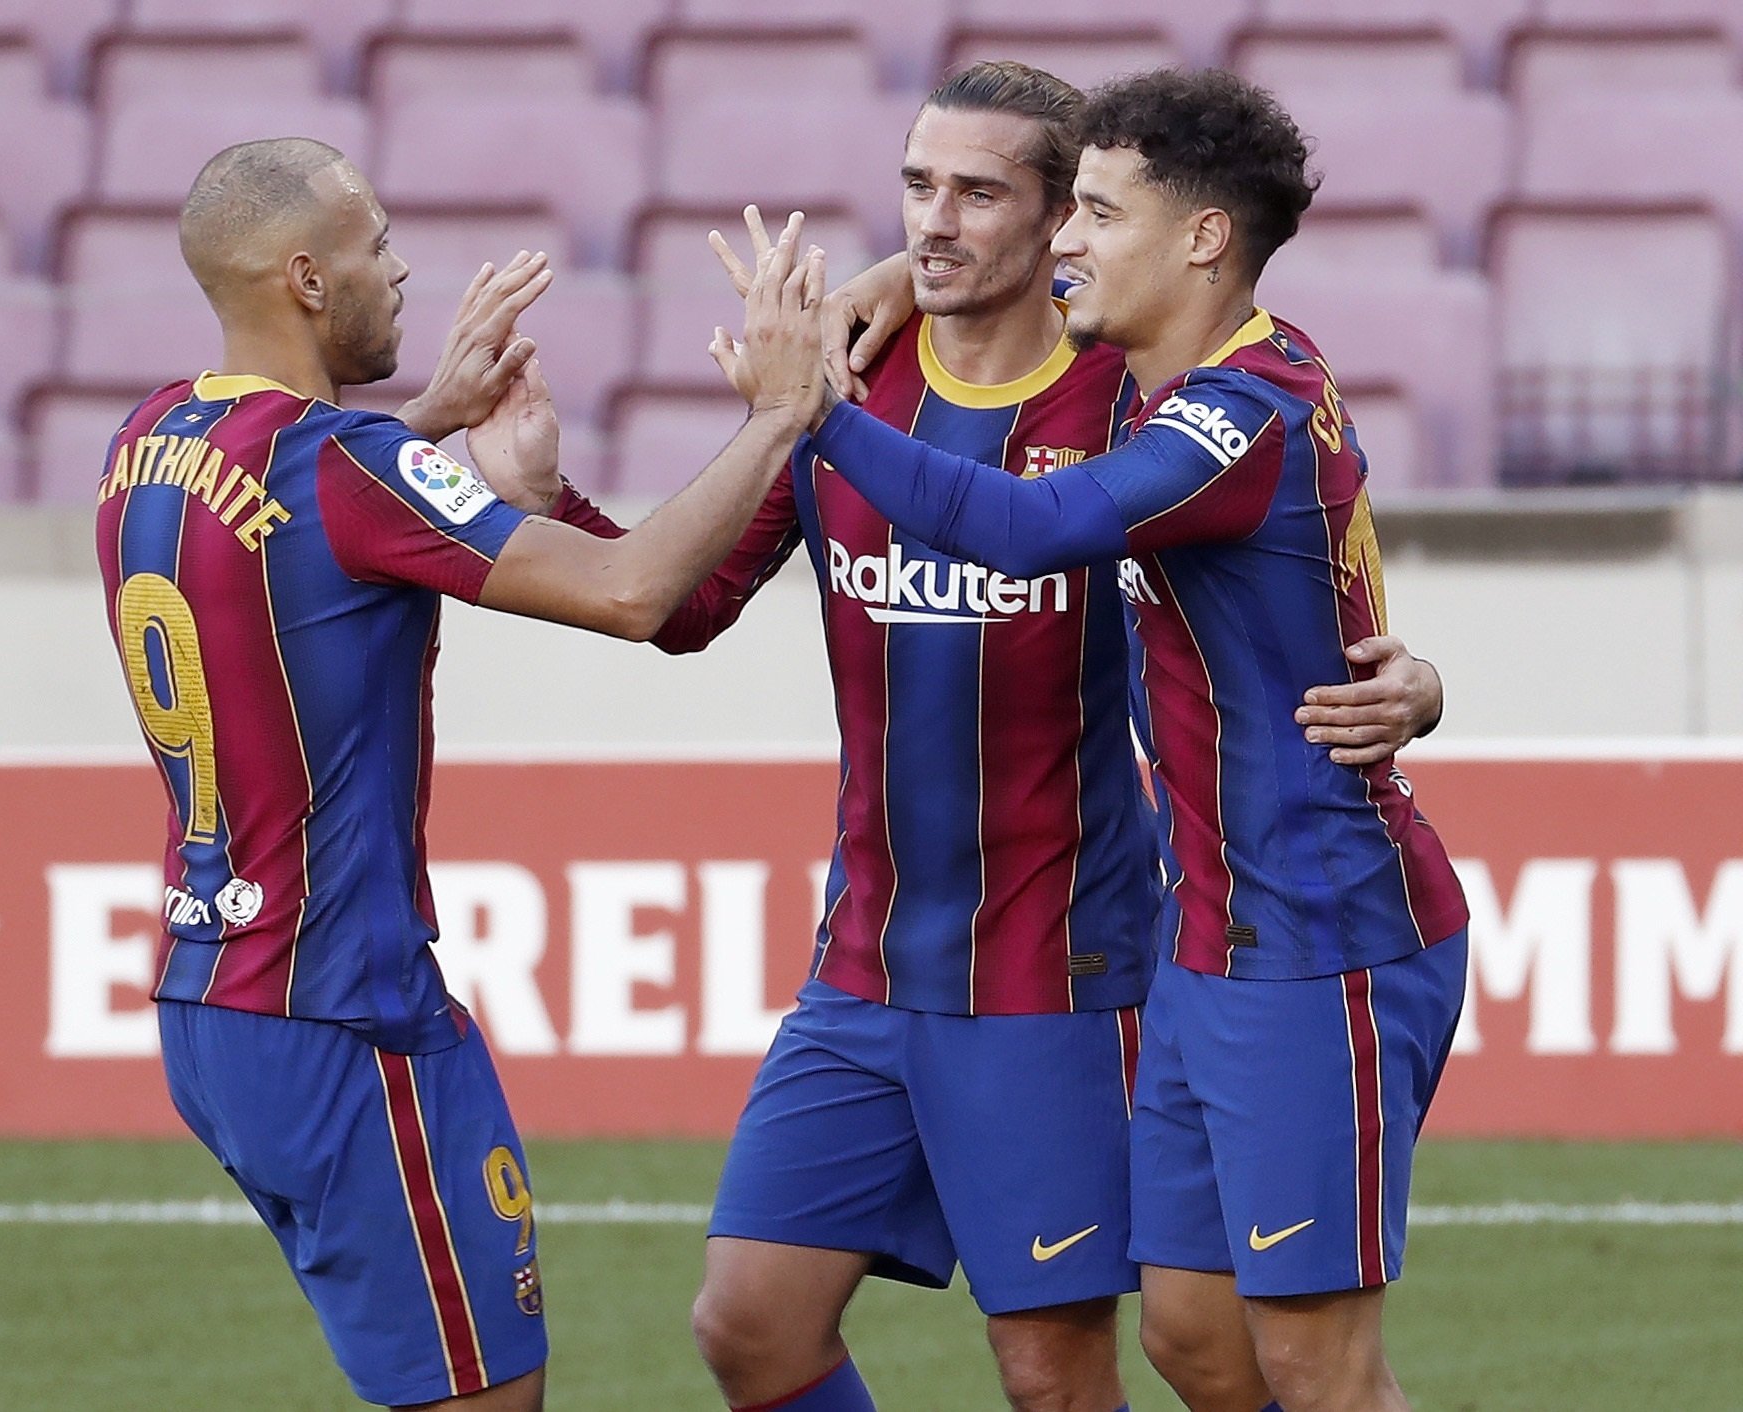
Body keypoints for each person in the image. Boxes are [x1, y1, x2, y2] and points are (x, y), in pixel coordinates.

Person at [471, 64, 1442, 1412]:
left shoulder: (1133, 394)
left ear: (1063, 227)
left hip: (1069, 953)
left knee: (1081, 1363)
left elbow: (1264, 537)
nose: (933, 220)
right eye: (918, 186)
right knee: (750, 1323)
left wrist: (1415, 674)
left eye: (985, 193)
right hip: (872, 953)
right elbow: (680, 606)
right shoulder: (856, 382)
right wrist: (553, 499)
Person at [744, 68, 1470, 1412]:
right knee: (1191, 1339)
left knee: (1319, 1373)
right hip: (1209, 939)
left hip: (1326, 938)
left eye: (1095, 212)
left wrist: (818, 408)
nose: (1065, 239)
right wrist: (901, 285)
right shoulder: (1157, 378)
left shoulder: (1234, 412)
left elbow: (1032, 529)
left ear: (1199, 239)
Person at [93, 136, 826, 1412]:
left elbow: (289, 505)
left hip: (209, 1005)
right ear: (310, 278)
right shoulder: (350, 474)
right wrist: (778, 412)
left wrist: (426, 426)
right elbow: (634, 588)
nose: (403, 265)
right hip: (346, 1015)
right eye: (376, 241)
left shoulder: (147, 435)